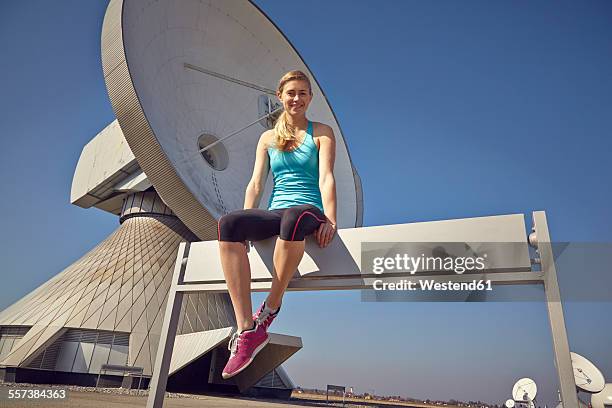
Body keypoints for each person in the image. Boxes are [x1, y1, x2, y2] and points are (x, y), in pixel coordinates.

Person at [217, 70, 338, 379]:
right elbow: (256, 183)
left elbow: (326, 177)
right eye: (291, 93)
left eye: (302, 93)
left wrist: (331, 218)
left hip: (307, 211)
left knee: (293, 218)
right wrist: (246, 220)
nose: (296, 98)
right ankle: (247, 329)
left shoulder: (322, 132)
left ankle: (270, 307)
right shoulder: (268, 138)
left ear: (310, 98)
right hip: (276, 211)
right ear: (280, 97)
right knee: (229, 224)